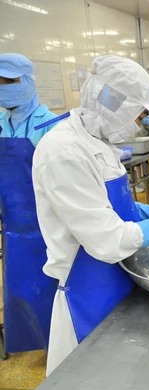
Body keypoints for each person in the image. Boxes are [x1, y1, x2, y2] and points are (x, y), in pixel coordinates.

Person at [31, 55, 149, 375]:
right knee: (94, 378)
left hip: (118, 279)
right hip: (87, 290)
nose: (142, 123)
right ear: (114, 103)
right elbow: (107, 240)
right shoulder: (63, 150)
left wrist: (148, 210)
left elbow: (105, 207)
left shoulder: (101, 141)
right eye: (139, 113)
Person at [0, 53, 58, 355]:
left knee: (48, 286)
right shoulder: (0, 123)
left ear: (28, 81)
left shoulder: (48, 124)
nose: (3, 87)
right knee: (19, 288)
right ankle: (29, 342)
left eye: (9, 81)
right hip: (12, 225)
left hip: (46, 226)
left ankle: (58, 346)